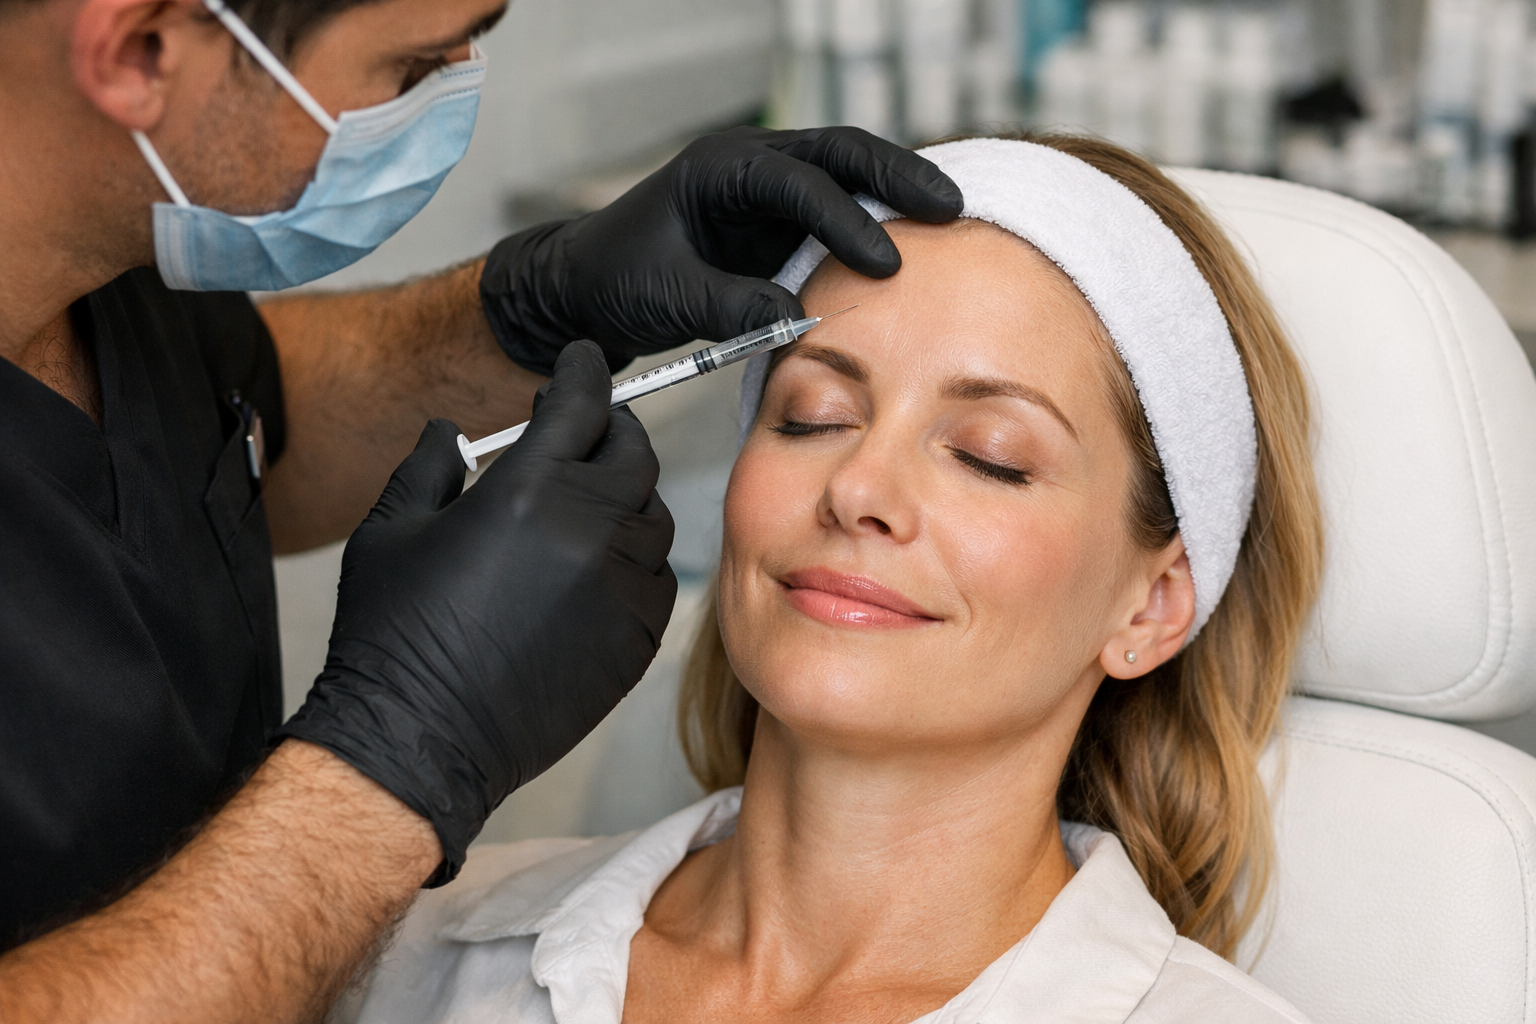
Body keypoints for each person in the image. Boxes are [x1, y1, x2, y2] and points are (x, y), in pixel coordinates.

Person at [0, 0, 966, 1018]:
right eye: (412, 64)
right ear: (141, 48)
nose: (455, 79)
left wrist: (528, 313)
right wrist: (394, 752)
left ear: (1156, 596)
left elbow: (211, 426)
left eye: (992, 457)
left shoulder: (106, 272)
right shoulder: (471, 971)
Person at [332, 134, 1326, 1023]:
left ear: (1151, 603)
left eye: (989, 454)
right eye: (811, 415)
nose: (858, 488)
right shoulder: (403, 954)